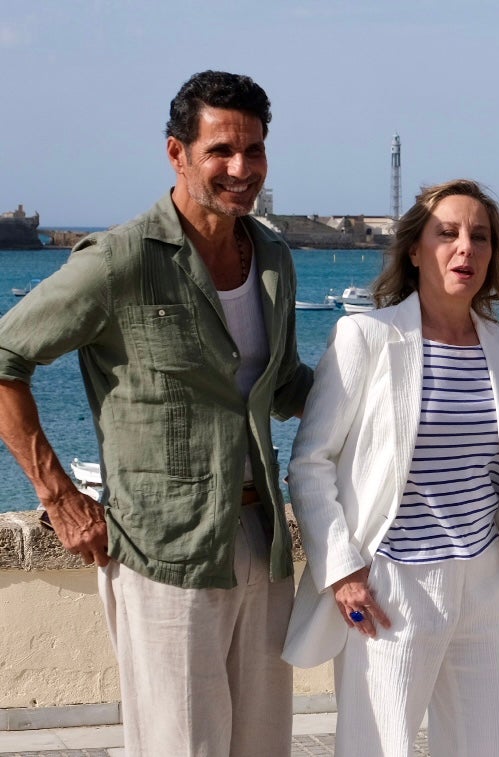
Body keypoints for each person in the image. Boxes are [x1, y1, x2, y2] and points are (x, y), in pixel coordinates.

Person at [0, 71, 312, 755]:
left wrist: (401, 394)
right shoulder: (120, 260)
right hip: (163, 554)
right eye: (221, 151)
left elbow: (283, 384)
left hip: (264, 544)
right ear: (177, 153)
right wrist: (58, 496)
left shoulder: (273, 259)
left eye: (254, 150)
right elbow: (5, 359)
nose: (242, 169)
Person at [283, 179, 499, 756]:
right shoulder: (365, 336)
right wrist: (343, 571)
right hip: (391, 589)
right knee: (379, 748)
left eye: (480, 237)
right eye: (447, 234)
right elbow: (310, 464)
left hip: (484, 586)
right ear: (415, 249)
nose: (464, 248)